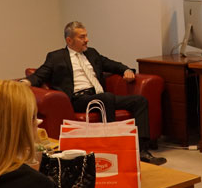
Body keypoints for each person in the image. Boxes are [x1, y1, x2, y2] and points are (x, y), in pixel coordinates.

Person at [23, 21, 166, 165]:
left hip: (100, 96)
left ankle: (142, 151)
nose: (87, 40)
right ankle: (112, 148)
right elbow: (41, 74)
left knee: (139, 101)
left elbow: (112, 64)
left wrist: (127, 70)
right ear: (69, 40)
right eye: (82, 37)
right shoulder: (56, 57)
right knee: (106, 97)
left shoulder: (92, 53)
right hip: (79, 99)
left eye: (86, 36)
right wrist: (26, 82)